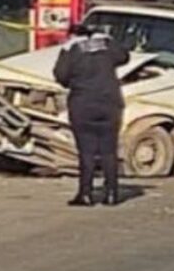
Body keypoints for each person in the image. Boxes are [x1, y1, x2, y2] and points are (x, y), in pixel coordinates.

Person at [53, 24, 129, 207]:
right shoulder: (106, 46)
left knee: (86, 151)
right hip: (110, 103)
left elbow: (61, 75)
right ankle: (111, 193)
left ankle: (85, 194)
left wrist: (66, 50)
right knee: (109, 151)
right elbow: (124, 56)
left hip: (83, 104)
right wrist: (107, 40)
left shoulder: (72, 49)